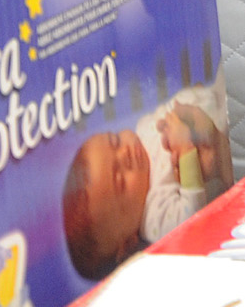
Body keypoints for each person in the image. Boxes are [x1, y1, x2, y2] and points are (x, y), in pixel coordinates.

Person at [62, 87, 233, 280]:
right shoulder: (154, 216)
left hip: (217, 96)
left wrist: (180, 109)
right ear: (127, 243)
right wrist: (187, 153)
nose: (124, 153)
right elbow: (191, 218)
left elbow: (169, 110)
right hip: (230, 155)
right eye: (120, 181)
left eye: (115, 141)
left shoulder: (143, 130)